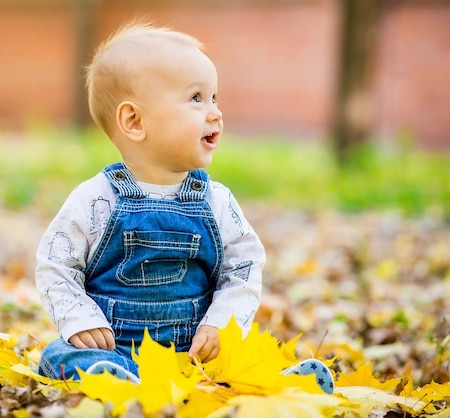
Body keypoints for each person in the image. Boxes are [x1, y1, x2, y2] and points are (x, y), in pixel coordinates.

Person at [35, 21, 333, 394]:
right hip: (117, 349)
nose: (215, 113)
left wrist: (222, 325)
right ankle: (119, 380)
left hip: (197, 353)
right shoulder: (96, 199)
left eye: (214, 98)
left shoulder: (216, 201)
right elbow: (56, 263)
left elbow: (243, 267)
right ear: (134, 121)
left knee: (238, 361)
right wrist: (79, 320)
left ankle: (283, 386)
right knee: (59, 355)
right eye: (196, 99)